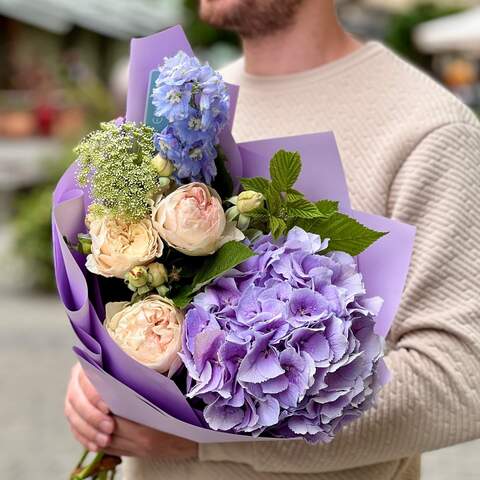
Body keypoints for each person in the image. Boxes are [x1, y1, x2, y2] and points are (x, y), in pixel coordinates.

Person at [64, 1, 480, 479]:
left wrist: (203, 438)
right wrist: (105, 376)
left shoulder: (427, 128)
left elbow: (459, 376)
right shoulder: (186, 108)